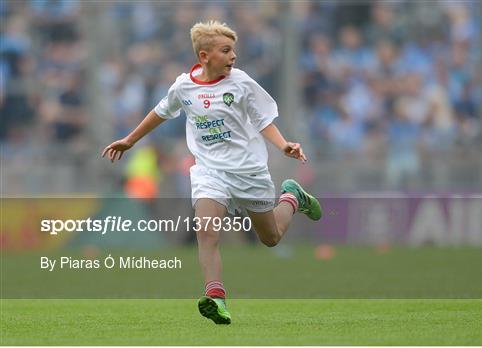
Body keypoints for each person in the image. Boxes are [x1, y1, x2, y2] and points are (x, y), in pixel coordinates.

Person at [101, 20, 322, 325]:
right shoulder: (184, 86)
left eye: (233, 50)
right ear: (204, 56)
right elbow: (161, 112)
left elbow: (263, 120)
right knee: (206, 230)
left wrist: (284, 145)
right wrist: (130, 139)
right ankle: (216, 297)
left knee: (270, 238)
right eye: (226, 50)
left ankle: (293, 197)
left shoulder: (241, 83)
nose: (233, 57)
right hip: (209, 171)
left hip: (248, 171)